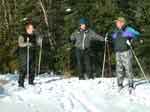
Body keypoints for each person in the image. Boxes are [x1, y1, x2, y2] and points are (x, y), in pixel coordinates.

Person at [112, 17, 140, 91]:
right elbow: (113, 37)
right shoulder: (116, 30)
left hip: (126, 51)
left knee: (128, 68)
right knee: (119, 69)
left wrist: (131, 39)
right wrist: (109, 37)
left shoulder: (128, 29)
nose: (116, 23)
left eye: (117, 22)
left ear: (122, 23)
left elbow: (137, 34)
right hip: (118, 52)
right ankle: (120, 84)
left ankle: (130, 84)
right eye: (116, 22)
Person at [18, 22, 42, 87]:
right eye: (31, 28)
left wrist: (39, 42)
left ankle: (31, 81)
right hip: (24, 54)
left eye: (33, 28)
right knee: (24, 68)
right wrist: (27, 44)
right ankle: (21, 83)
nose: (33, 29)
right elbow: (20, 44)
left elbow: (36, 43)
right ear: (27, 28)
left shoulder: (34, 35)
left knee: (32, 68)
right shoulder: (22, 35)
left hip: (32, 53)